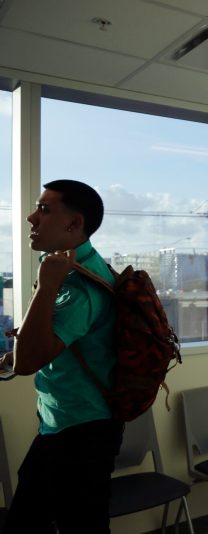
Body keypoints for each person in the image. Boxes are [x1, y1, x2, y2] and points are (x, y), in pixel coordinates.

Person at [1, 180, 122, 533]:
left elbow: (28, 364)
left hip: (82, 431)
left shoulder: (77, 287)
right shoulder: (67, 267)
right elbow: (49, 347)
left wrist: (48, 285)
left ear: (74, 224)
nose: (30, 217)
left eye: (44, 209)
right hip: (67, 422)